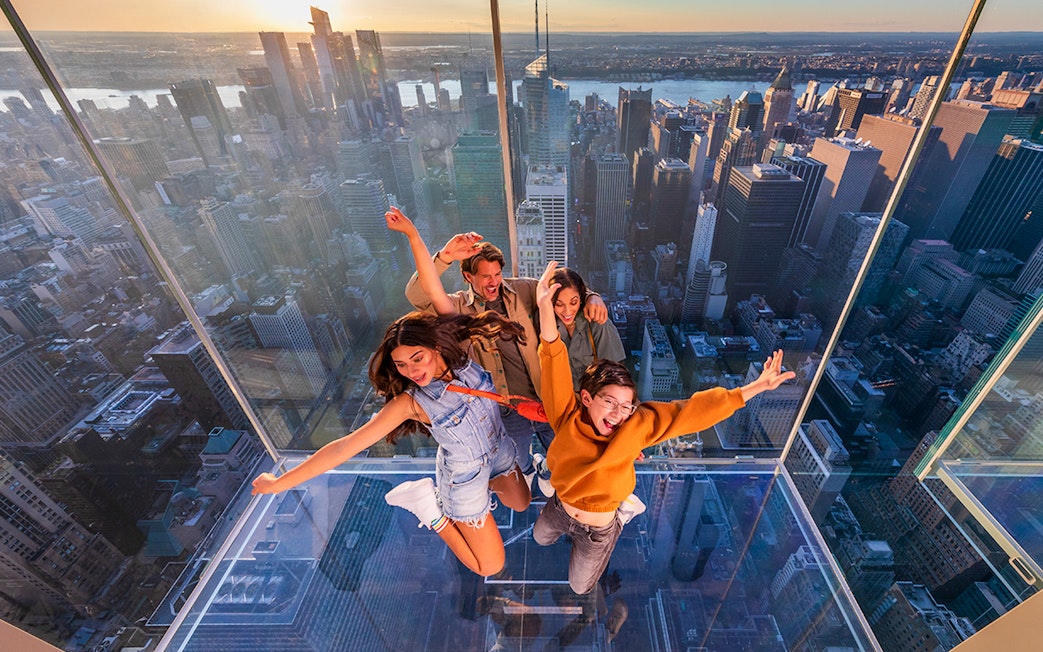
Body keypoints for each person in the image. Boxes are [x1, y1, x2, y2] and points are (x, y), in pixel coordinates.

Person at [250, 212, 532, 577]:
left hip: (498, 450)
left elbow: (432, 289)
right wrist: (279, 483)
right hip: (462, 478)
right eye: (401, 366)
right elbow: (343, 447)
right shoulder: (411, 403)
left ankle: (485, 491)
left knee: (522, 503)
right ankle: (430, 510)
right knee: (489, 566)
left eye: (417, 358)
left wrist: (414, 234)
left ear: (434, 346)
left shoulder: (459, 354)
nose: (413, 371)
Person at [532, 261, 796, 594]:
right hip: (561, 506)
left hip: (598, 529)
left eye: (627, 405)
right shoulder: (566, 414)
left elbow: (690, 412)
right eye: (609, 402)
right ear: (586, 397)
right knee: (539, 537)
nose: (618, 414)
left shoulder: (635, 425)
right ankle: (578, 512)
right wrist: (544, 308)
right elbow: (552, 357)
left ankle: (618, 520)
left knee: (581, 587)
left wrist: (753, 389)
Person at [403, 224, 607, 489]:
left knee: (567, 453)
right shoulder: (457, 308)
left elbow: (566, 290)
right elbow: (416, 295)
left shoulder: (523, 289)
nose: (493, 282)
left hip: (548, 397)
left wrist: (593, 297)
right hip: (506, 409)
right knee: (518, 462)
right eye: (485, 276)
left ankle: (549, 478)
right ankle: (530, 477)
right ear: (468, 276)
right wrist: (444, 257)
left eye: (497, 274)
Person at [549, 267, 626, 390]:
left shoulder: (596, 323)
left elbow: (615, 374)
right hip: (560, 399)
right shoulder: (546, 324)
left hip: (592, 398)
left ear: (581, 298)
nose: (567, 311)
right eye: (559, 304)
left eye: (573, 302)